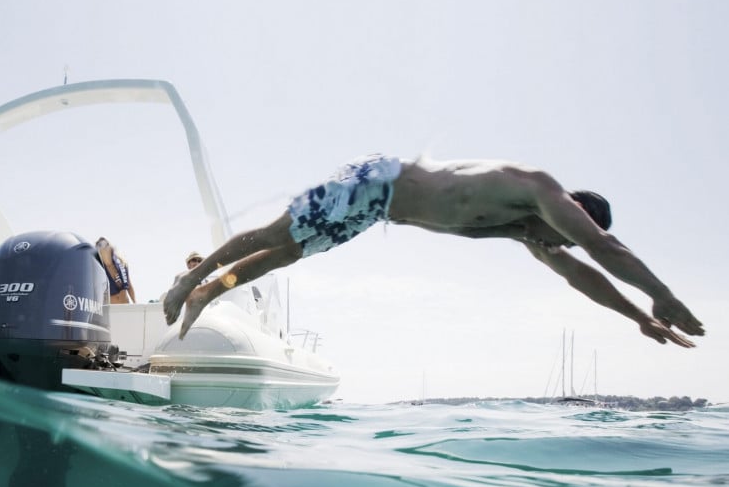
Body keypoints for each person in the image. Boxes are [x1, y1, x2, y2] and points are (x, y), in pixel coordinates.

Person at [164, 154, 706, 346]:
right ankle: (191, 280)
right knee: (274, 236)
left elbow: (581, 275)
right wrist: (661, 293)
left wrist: (639, 316)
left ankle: (208, 292)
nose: (562, 245)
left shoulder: (527, 230)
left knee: (288, 254)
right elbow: (602, 247)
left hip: (378, 212)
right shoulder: (538, 190)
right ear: (574, 211)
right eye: (569, 235)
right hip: (378, 180)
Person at [95, 237, 136, 304]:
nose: (103, 247)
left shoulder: (122, 263)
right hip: (111, 308)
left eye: (105, 244)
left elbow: (129, 286)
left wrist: (135, 303)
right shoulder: (98, 269)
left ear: (110, 247)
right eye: (99, 245)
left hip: (125, 306)